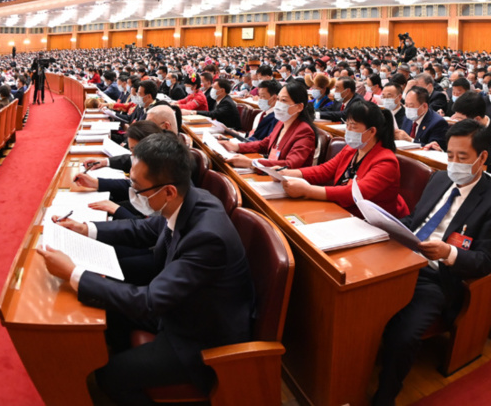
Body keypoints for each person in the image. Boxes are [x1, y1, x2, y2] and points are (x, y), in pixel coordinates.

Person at [38, 134, 254, 404]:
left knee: (109, 377)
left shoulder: (208, 237)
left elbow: (150, 302)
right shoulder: (187, 198)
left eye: (138, 188)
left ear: (168, 191)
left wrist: (73, 273)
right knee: (104, 315)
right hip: (180, 307)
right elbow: (143, 229)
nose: (133, 194)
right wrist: (85, 229)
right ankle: (126, 358)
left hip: (200, 336)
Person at [372, 119, 491, 405]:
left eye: (462, 157)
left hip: (436, 278)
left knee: (404, 335)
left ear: (482, 158)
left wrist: (448, 253)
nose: (454, 163)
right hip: (402, 257)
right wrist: (384, 224)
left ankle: (385, 395)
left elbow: (485, 261)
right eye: (450, 155)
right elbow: (415, 220)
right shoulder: (438, 178)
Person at [279, 99, 408, 218]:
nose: (348, 130)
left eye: (353, 126)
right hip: (344, 212)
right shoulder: (351, 149)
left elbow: (354, 194)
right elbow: (325, 170)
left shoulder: (386, 161)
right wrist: (287, 173)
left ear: (372, 131)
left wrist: (307, 191)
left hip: (372, 221)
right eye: (347, 125)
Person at [223, 81, 317, 170]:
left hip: (288, 181)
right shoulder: (281, 123)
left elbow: (290, 164)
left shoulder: (304, 131)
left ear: (299, 107)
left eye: (284, 100)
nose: (279, 104)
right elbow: (264, 144)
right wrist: (237, 147)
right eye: (278, 99)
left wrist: (251, 163)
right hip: (270, 173)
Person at [434, 91, 491, 172]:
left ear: (476, 120)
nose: (454, 120)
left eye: (460, 119)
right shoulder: (458, 129)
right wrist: (441, 152)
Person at [396, 85, 449, 150]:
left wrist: (411, 140)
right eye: (406, 105)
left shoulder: (438, 123)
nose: (408, 109)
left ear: (424, 106)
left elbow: (435, 149)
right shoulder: (407, 118)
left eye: (411, 105)